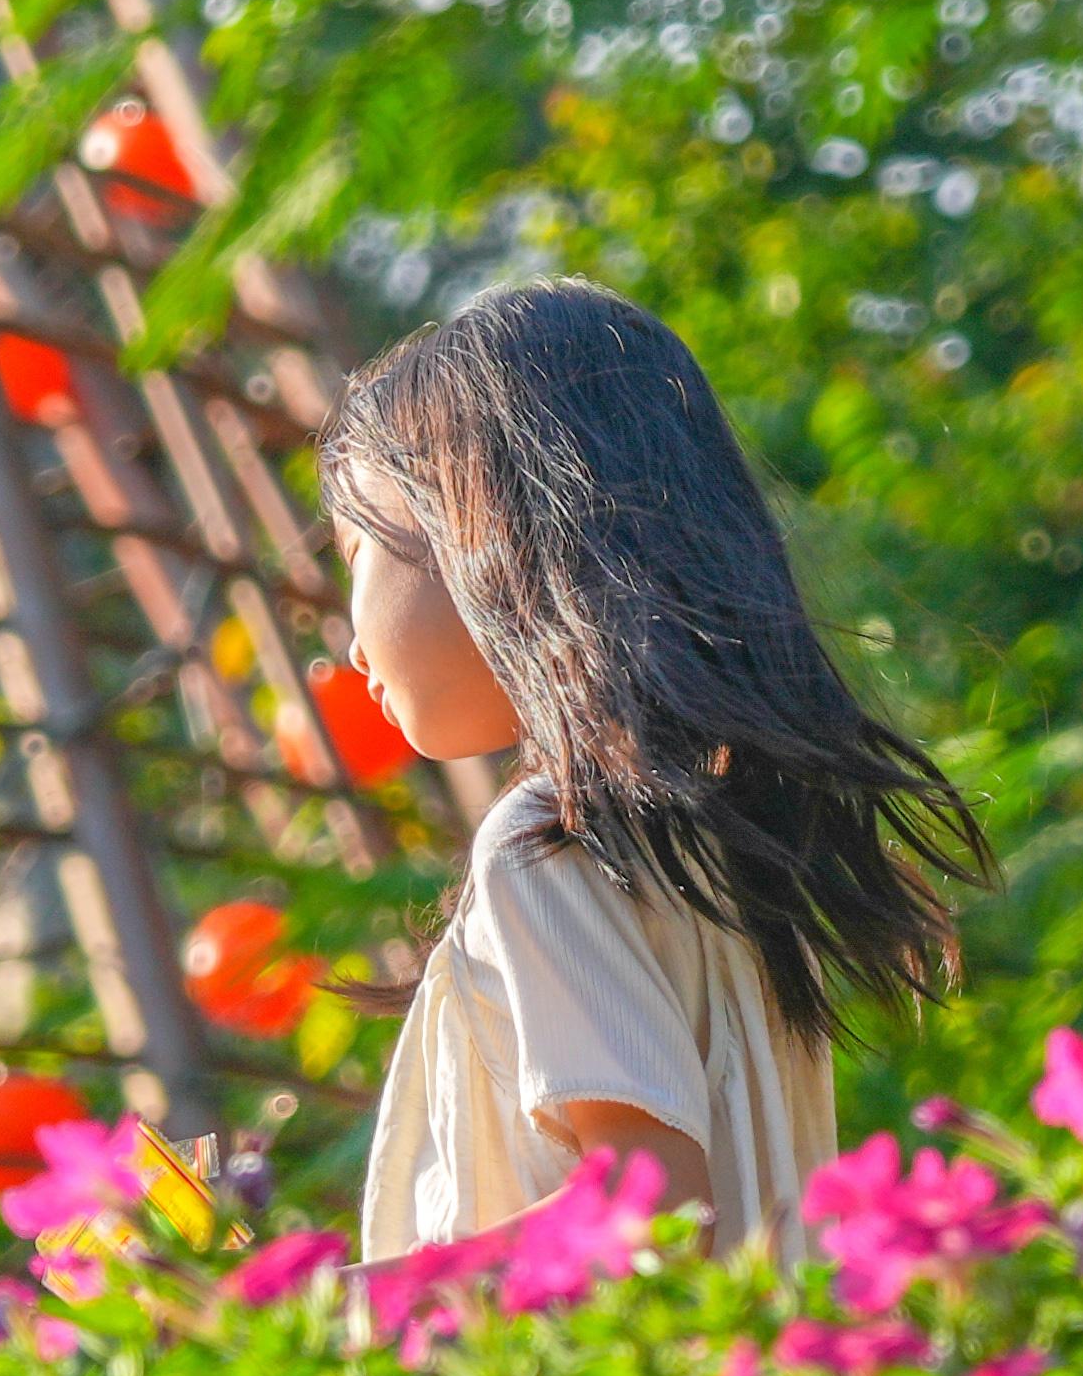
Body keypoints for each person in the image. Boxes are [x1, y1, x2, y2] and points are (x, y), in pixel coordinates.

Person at [327, 280, 988, 1267]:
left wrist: (336, 1309)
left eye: (358, 549)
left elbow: (656, 1218)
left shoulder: (542, 848)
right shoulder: (721, 848)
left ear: (483, 528)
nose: (349, 632)